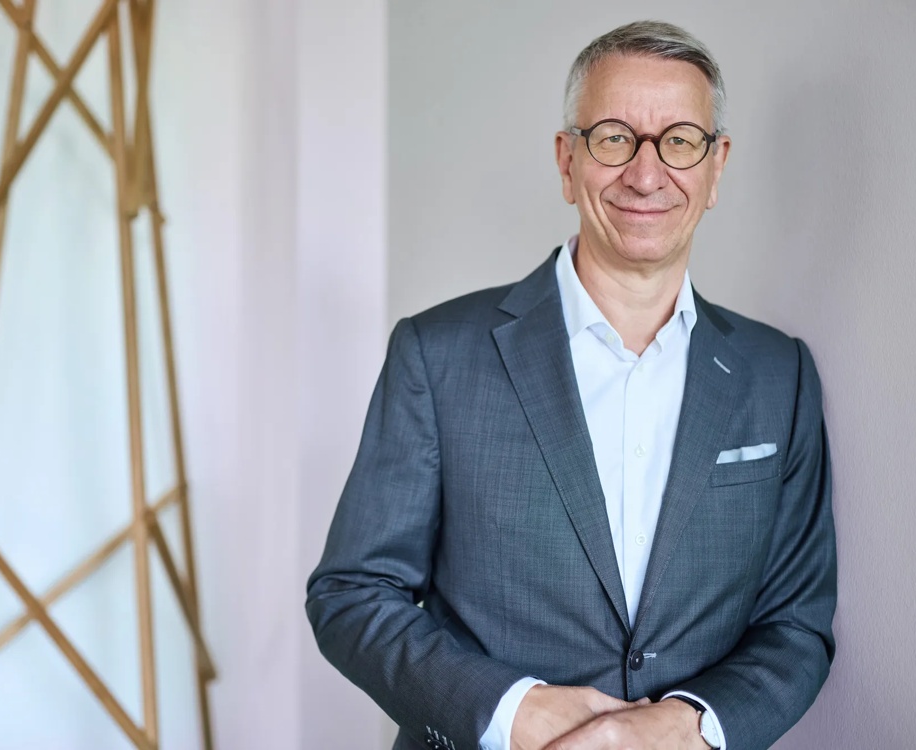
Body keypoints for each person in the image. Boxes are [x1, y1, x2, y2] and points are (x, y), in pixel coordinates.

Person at [307, 19, 836, 750]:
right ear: (567, 160)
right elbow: (351, 595)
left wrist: (687, 726)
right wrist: (514, 712)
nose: (646, 175)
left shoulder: (782, 376)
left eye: (679, 140)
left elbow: (797, 624)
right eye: (614, 137)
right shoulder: (437, 355)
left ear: (717, 168)